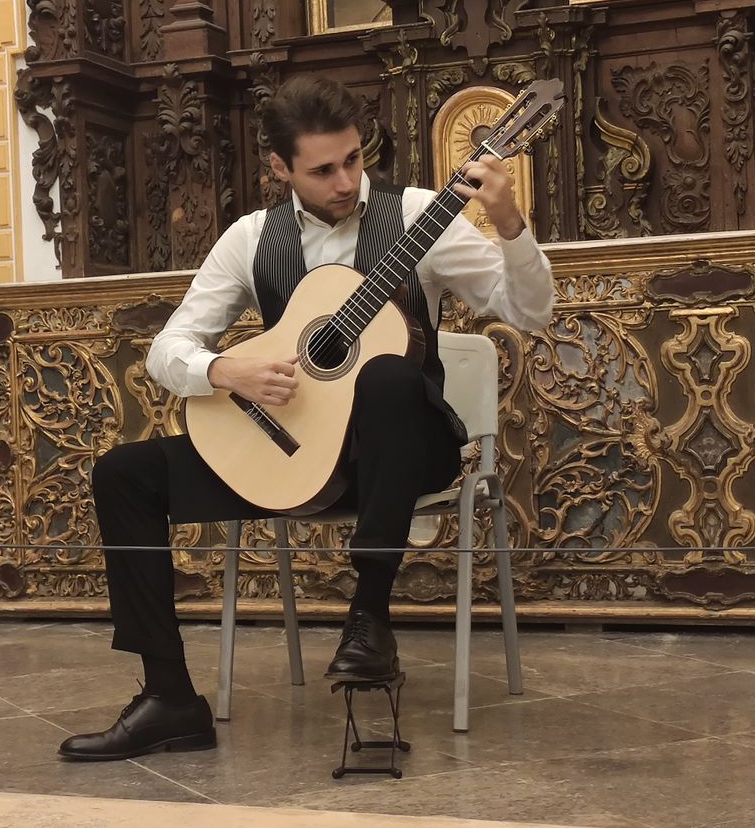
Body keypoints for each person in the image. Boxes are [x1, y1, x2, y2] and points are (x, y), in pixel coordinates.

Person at [58, 75, 555, 761]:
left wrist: (508, 223)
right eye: (323, 169)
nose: (347, 181)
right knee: (124, 474)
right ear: (280, 168)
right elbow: (166, 350)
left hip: (406, 454)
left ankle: (369, 618)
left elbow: (531, 312)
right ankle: (169, 698)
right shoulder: (250, 239)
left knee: (384, 376)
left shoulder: (418, 214)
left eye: (354, 159)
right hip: (297, 454)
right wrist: (223, 370)